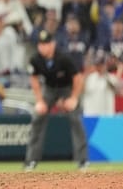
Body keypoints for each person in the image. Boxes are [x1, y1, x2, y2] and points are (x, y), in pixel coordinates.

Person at [23, 29, 88, 171]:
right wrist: (39, 101)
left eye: (46, 44)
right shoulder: (36, 59)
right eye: (40, 44)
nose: (42, 47)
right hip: (49, 89)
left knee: (76, 119)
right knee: (37, 117)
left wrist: (73, 98)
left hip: (67, 88)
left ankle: (82, 161)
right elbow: (34, 79)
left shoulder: (64, 58)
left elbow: (78, 78)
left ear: (52, 44)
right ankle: (30, 161)